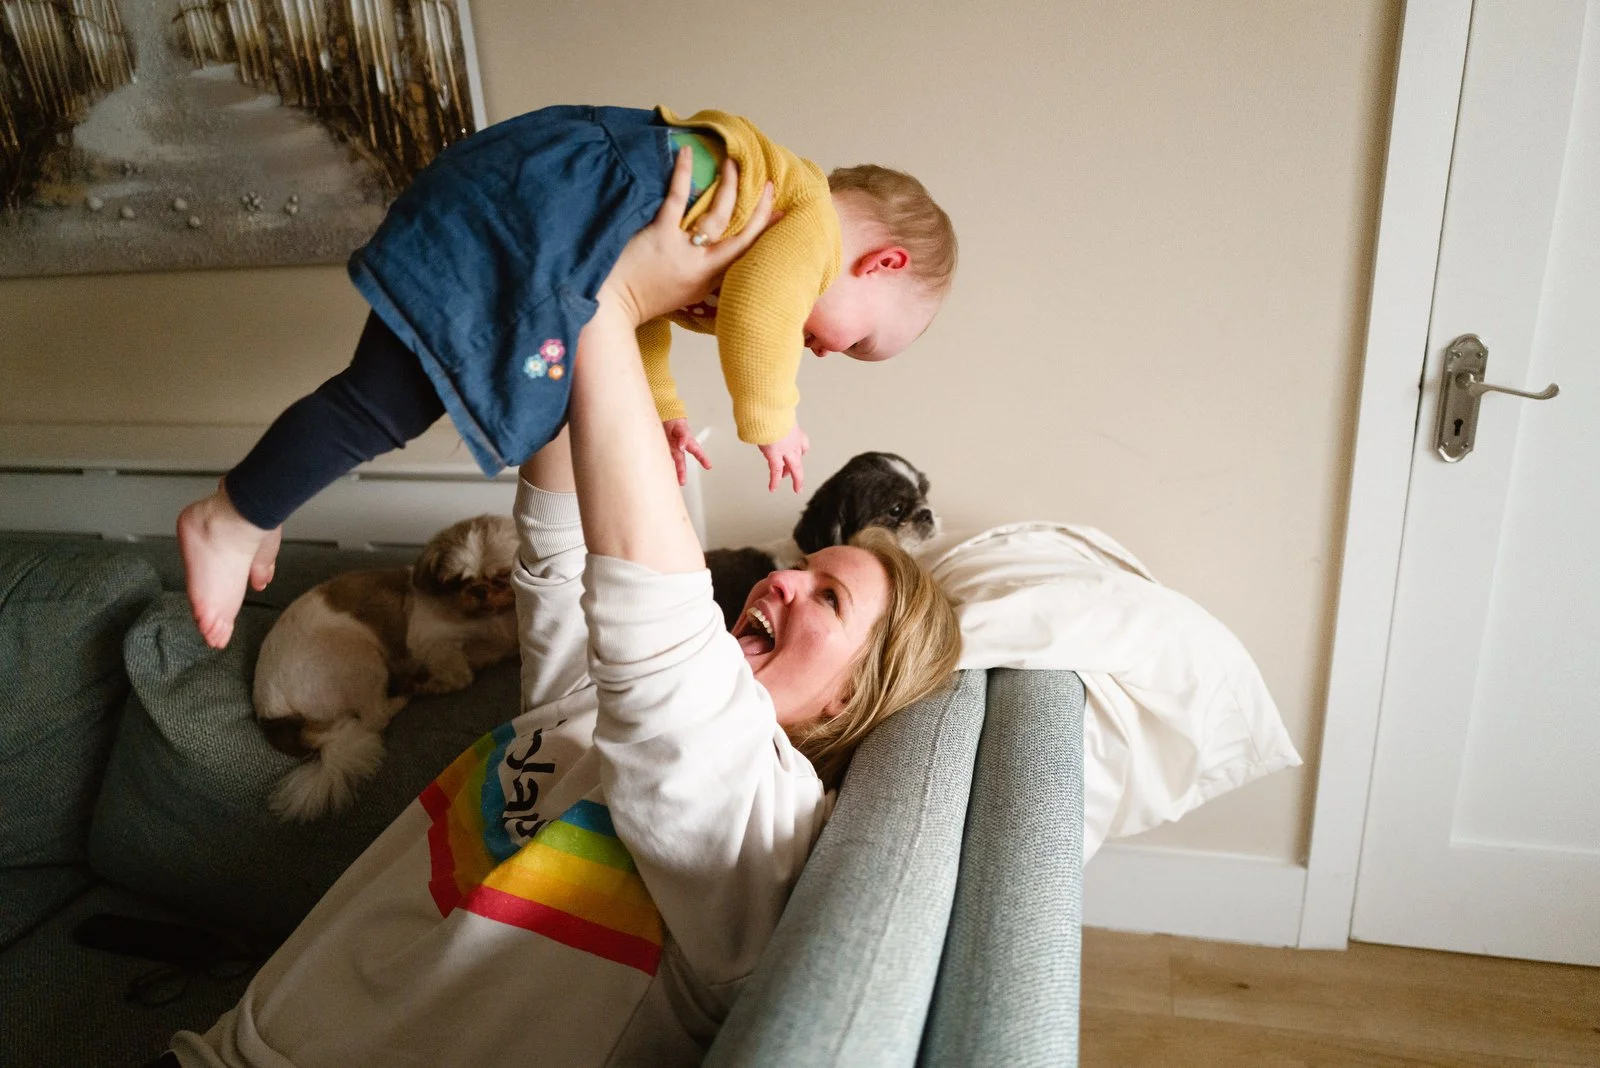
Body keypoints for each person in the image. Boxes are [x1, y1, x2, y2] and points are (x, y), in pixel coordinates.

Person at [157, 154, 962, 1068]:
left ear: (852, 699)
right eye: (802, 568)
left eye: (829, 598)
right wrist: (618, 303)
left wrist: (605, 294)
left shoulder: (756, 824)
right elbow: (560, 542)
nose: (778, 582)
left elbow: (663, 638)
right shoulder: (599, 701)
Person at [177, 104, 958, 649]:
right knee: (384, 404)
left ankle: (262, 496)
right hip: (537, 226)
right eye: (857, 344)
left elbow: (642, 310)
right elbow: (760, 320)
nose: (826, 352)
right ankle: (231, 515)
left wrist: (662, 408)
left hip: (520, 208)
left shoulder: (738, 229)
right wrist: (771, 418)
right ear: (881, 262)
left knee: (372, 402)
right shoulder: (805, 223)